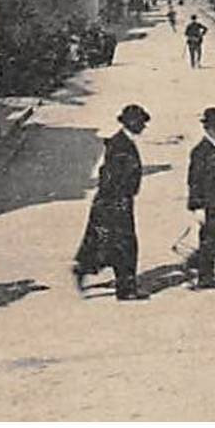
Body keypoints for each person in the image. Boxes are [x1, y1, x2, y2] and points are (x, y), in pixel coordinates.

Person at [74, 103, 152, 300]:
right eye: (141, 123)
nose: (144, 126)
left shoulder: (122, 141)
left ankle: (84, 269)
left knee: (106, 242)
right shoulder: (120, 144)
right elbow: (109, 176)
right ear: (132, 123)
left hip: (114, 201)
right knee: (124, 244)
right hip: (116, 202)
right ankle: (126, 290)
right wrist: (118, 199)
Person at [186, 107, 215, 289]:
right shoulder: (201, 150)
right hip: (207, 202)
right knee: (209, 239)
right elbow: (194, 180)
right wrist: (197, 206)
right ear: (206, 127)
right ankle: (204, 277)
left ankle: (203, 269)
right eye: (212, 125)